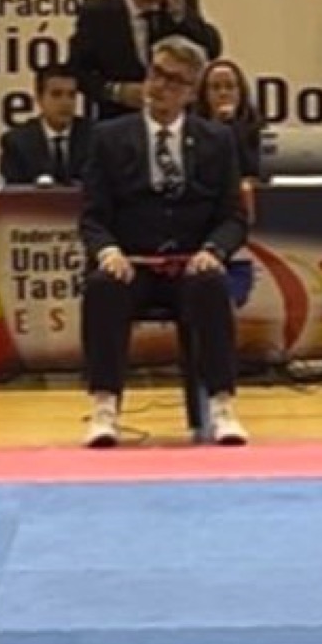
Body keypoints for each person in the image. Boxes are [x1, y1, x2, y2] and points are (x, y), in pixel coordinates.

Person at [79, 36, 248, 448]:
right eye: (156, 73)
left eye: (174, 80)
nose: (159, 86)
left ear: (191, 92)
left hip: (189, 264)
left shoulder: (216, 141)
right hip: (133, 264)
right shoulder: (108, 137)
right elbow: (92, 216)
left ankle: (222, 406)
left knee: (211, 284)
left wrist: (214, 251)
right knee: (102, 286)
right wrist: (108, 251)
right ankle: (104, 407)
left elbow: (234, 218)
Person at [69, 0, 223, 121]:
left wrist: (180, 13)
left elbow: (212, 49)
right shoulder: (98, 14)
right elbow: (77, 70)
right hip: (120, 119)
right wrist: (116, 91)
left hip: (176, 117)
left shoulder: (182, 0)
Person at [0, 63, 91, 186]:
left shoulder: (93, 137)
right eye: (56, 94)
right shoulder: (17, 142)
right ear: (39, 98)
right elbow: (13, 192)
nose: (65, 103)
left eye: (71, 95)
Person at [192, 58, 264, 182]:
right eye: (215, 87)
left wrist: (232, 125)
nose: (223, 93)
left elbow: (255, 169)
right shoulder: (192, 128)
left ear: (240, 92)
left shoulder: (256, 128)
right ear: (205, 93)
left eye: (230, 87)